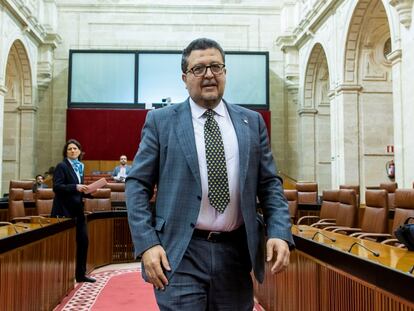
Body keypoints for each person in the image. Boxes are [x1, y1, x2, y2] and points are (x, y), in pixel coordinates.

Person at [126, 38, 293, 310]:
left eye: (216, 67)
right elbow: (137, 185)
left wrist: (279, 231)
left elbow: (270, 184)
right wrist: (147, 244)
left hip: (236, 254)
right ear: (184, 77)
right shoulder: (161, 121)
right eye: (198, 69)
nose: (208, 75)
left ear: (225, 72)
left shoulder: (251, 123)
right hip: (179, 253)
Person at [51, 139, 96, 283]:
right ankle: (59, 277)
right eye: (69, 149)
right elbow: (57, 187)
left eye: (75, 148)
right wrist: (75, 187)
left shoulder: (80, 167)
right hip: (64, 211)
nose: (72, 151)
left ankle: (80, 275)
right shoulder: (61, 166)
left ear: (79, 151)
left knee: (83, 241)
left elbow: (78, 190)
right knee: (64, 245)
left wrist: (89, 191)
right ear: (66, 152)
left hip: (77, 210)